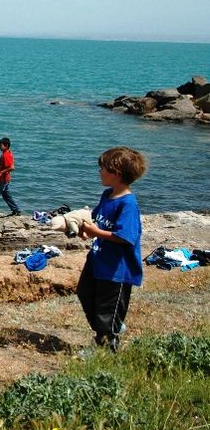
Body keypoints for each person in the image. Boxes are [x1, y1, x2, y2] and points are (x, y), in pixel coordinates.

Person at [76, 146, 147, 353]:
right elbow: (95, 221)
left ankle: (105, 345)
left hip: (117, 269)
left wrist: (96, 232)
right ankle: (110, 329)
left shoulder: (128, 204)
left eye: (103, 169)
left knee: (107, 310)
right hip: (98, 261)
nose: (99, 172)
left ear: (116, 174)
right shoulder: (107, 195)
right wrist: (85, 230)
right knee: (84, 293)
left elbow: (125, 237)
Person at [0, 137, 21, 222]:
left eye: (0, 145)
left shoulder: (6, 155)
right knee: (6, 196)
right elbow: (3, 167)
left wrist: (1, 173)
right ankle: (16, 210)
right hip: (5, 180)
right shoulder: (8, 153)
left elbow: (12, 167)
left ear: (6, 146)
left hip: (2, 181)